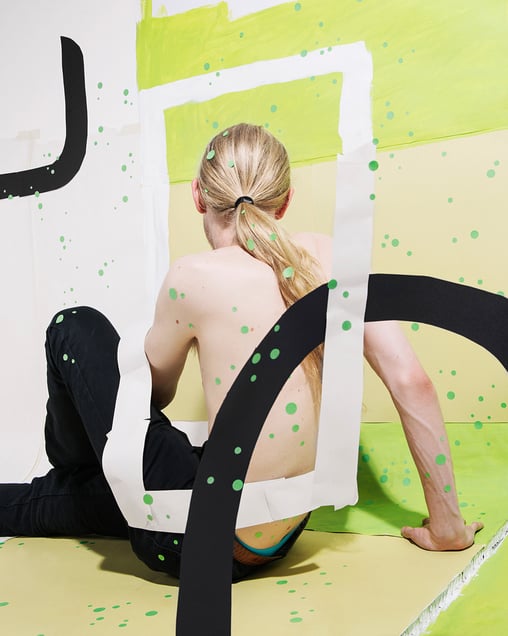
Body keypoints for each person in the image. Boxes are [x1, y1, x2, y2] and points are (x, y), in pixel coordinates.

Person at [0, 123, 482, 582]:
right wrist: (447, 525)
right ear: (285, 200)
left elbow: (150, 399)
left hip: (194, 539)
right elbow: (411, 381)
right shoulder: (333, 257)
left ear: (197, 195)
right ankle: (78, 478)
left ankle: (73, 466)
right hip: (282, 532)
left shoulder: (192, 277)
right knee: (76, 498)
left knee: (74, 326)